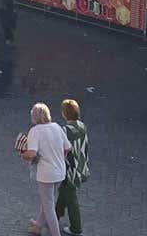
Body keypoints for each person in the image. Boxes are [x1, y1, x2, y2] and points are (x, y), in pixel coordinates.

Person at [19, 102, 72, 236]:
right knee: (48, 200)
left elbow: (31, 153)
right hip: (60, 171)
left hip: (46, 174)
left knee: (48, 207)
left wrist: (22, 155)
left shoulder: (35, 131)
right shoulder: (57, 127)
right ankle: (37, 226)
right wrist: (57, 157)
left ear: (35, 117)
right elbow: (68, 148)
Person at [56, 99, 89, 236]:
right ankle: (54, 215)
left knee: (71, 198)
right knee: (64, 192)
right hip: (81, 166)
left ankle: (76, 228)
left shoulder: (65, 131)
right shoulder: (82, 126)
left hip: (70, 169)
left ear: (64, 114)